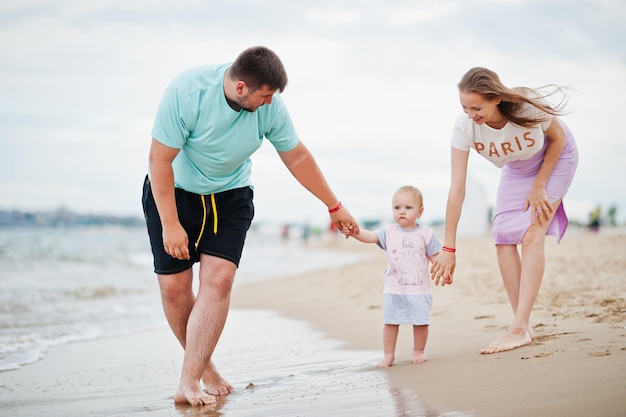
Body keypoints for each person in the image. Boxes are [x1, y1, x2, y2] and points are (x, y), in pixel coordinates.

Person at [141, 46, 359, 406]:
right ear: (241, 87)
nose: (270, 103)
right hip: (175, 194)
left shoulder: (271, 107)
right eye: (266, 96)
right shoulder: (187, 92)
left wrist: (334, 205)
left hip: (230, 196)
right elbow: (158, 160)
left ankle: (189, 381)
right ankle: (205, 371)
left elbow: (297, 156)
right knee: (176, 291)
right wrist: (170, 224)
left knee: (219, 281)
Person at [430, 67, 578, 354]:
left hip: (555, 159)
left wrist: (540, 185)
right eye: (464, 107)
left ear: (496, 98)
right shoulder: (465, 127)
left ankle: (519, 328)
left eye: (477, 107)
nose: (471, 114)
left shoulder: (525, 106)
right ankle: (522, 324)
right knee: (502, 237)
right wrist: (449, 246)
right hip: (517, 169)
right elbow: (457, 189)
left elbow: (558, 140)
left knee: (532, 234)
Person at [347, 185, 443, 368]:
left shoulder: (426, 234)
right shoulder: (388, 232)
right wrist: (355, 232)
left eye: (408, 208)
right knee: (391, 322)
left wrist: (444, 271)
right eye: (397, 208)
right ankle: (388, 354)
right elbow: (370, 236)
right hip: (393, 287)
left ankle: (418, 350)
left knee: (421, 321)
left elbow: (436, 257)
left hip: (418, 288)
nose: (402, 212)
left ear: (420, 211)